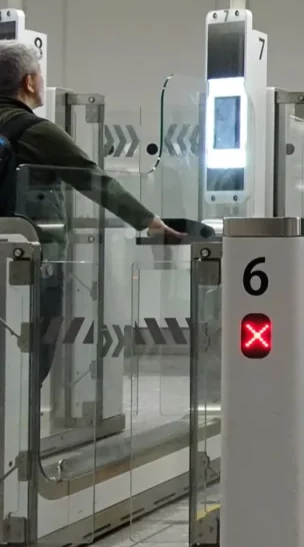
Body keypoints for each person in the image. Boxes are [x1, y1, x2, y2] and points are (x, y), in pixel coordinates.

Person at [0, 41, 179, 387]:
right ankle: (17, 416)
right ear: (29, 82)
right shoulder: (34, 130)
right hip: (34, 262)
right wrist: (149, 221)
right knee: (33, 354)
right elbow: (93, 180)